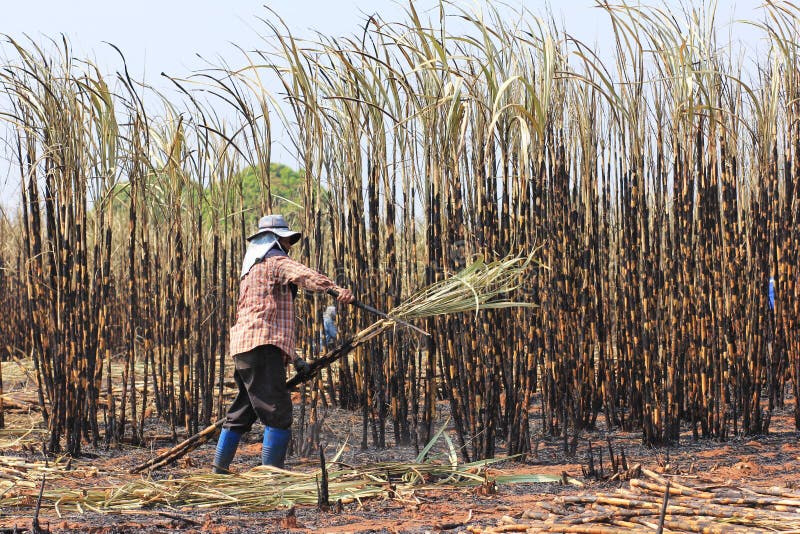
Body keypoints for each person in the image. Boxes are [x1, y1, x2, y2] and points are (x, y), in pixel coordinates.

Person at [213, 214, 353, 473]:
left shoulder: (251, 271)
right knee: (278, 412)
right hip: (261, 347)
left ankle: (219, 471)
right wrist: (334, 290)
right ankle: (272, 476)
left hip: (246, 349)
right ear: (275, 240)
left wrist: (296, 359)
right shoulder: (274, 261)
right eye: (286, 240)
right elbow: (301, 274)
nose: (289, 245)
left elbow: (266, 319)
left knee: (242, 411)